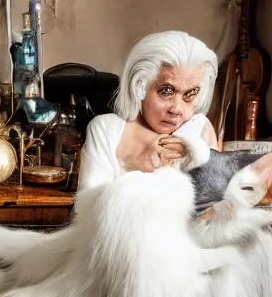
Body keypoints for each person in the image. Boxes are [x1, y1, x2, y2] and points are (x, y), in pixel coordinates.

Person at [78, 31, 219, 191]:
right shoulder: (107, 129)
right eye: (166, 91)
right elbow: (89, 207)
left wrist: (196, 157)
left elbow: (216, 206)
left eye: (190, 94)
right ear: (140, 87)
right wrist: (133, 162)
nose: (177, 109)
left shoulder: (200, 128)